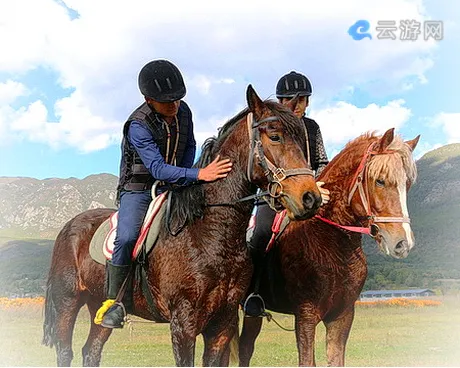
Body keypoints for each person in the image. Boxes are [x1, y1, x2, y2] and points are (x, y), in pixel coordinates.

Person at [94, 59, 233, 328]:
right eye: (167, 102)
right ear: (148, 99)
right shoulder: (138, 125)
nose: (175, 106)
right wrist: (198, 174)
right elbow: (157, 169)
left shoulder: (184, 111)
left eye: (178, 99)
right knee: (126, 238)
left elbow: (190, 144)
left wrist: (186, 175)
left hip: (177, 182)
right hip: (139, 190)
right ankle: (114, 302)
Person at [243, 71, 330, 317]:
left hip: (309, 192)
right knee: (260, 232)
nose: (297, 105)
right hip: (273, 194)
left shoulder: (312, 128)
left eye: (301, 100)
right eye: (290, 99)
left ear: (308, 101)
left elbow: (321, 162)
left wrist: (319, 184)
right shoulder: (274, 125)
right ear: (281, 102)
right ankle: (254, 293)